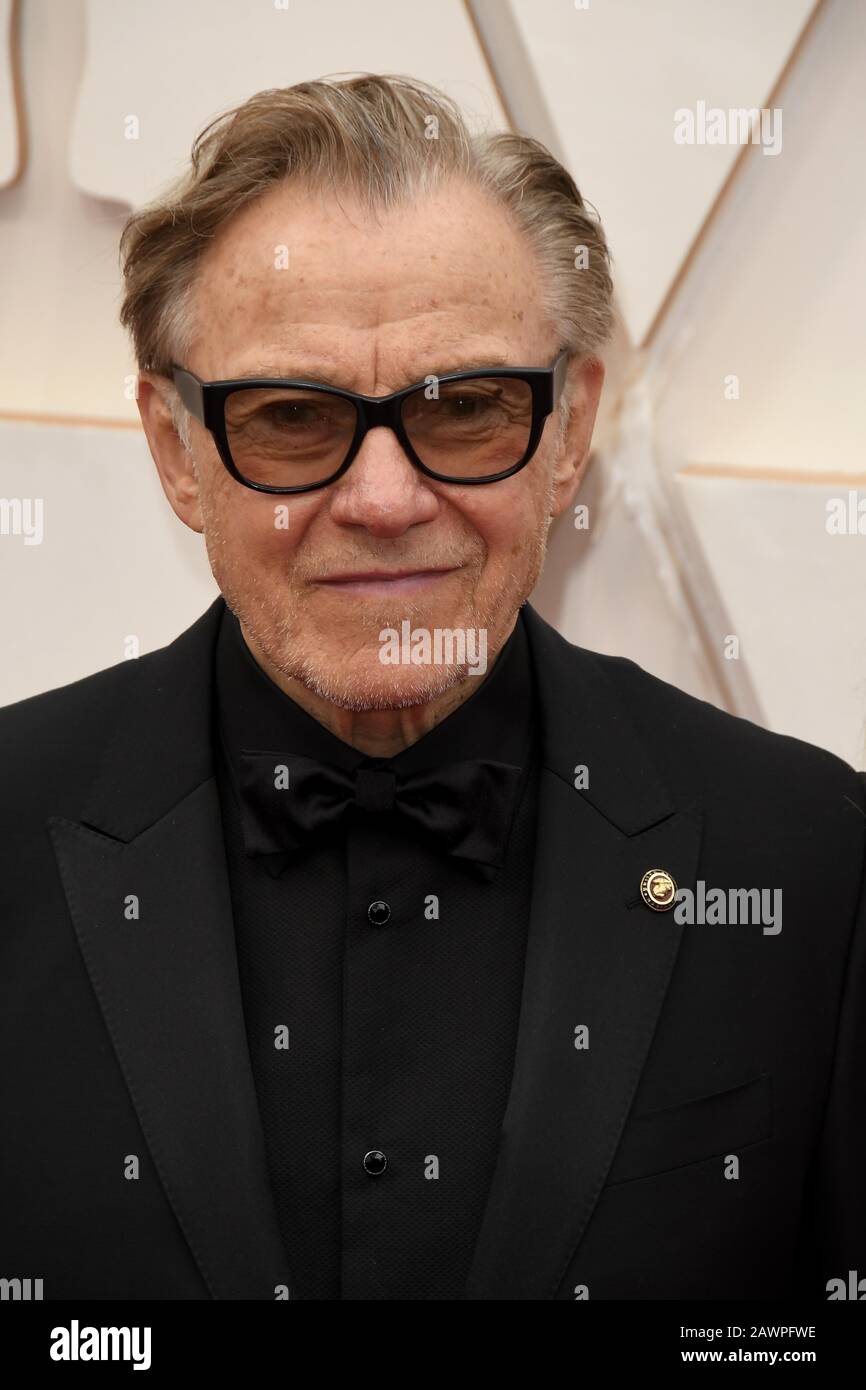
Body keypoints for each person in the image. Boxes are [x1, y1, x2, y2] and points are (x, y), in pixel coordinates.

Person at [1, 74, 863, 1301]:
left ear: (568, 435)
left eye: (461, 409)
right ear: (176, 452)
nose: (384, 499)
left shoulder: (809, 861)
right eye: (294, 417)